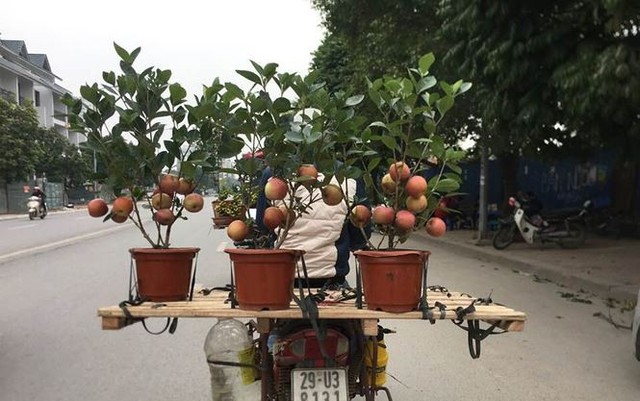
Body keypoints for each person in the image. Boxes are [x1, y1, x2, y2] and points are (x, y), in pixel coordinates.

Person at [255, 166, 371, 290]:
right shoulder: (349, 174)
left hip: (284, 276)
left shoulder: (274, 174)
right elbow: (360, 236)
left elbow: (264, 226)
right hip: (332, 280)